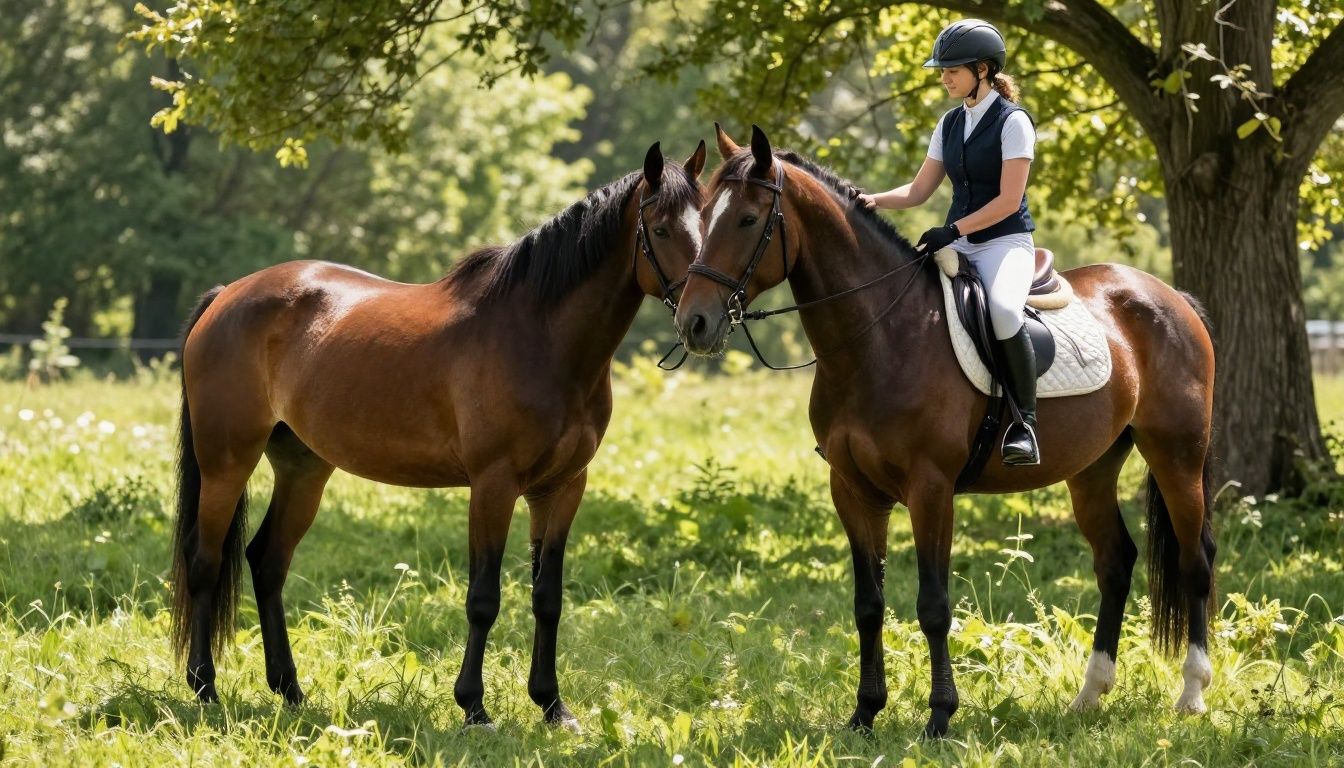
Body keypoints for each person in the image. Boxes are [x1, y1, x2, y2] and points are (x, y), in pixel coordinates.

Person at [854, 19, 1041, 466]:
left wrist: (953, 231)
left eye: (951, 70)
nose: (943, 77)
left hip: (1004, 243)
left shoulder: (1013, 123)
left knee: (1002, 310)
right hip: (957, 243)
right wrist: (868, 200)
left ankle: (1025, 423)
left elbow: (1008, 201)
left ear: (982, 69)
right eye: (942, 70)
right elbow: (919, 191)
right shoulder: (950, 122)